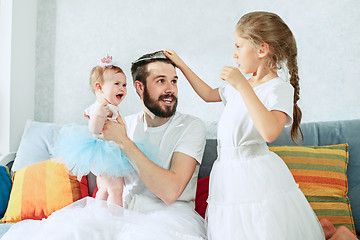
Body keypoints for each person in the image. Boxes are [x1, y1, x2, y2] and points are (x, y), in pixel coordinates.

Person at [1, 51, 207, 240]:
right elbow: (104, 167)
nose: (170, 89)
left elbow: (170, 192)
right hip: (121, 212)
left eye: (174, 81)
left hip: (168, 218)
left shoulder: (191, 126)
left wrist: (124, 141)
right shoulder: (125, 121)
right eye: (161, 81)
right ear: (139, 87)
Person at [164, 11, 325, 239]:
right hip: (227, 171)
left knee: (260, 227)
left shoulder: (277, 88)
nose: (234, 53)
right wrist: (181, 65)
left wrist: (243, 86)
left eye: (239, 46)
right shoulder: (240, 84)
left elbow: (270, 132)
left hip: (255, 172)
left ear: (261, 50)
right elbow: (208, 94)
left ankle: (335, 234)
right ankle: (329, 231)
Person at [53, 54, 132, 206]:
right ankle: (115, 219)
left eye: (124, 85)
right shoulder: (104, 108)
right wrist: (99, 116)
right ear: (99, 87)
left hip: (103, 154)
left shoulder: (100, 106)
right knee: (116, 190)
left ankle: (97, 214)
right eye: (117, 84)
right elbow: (94, 130)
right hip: (108, 154)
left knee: (104, 188)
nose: (122, 88)